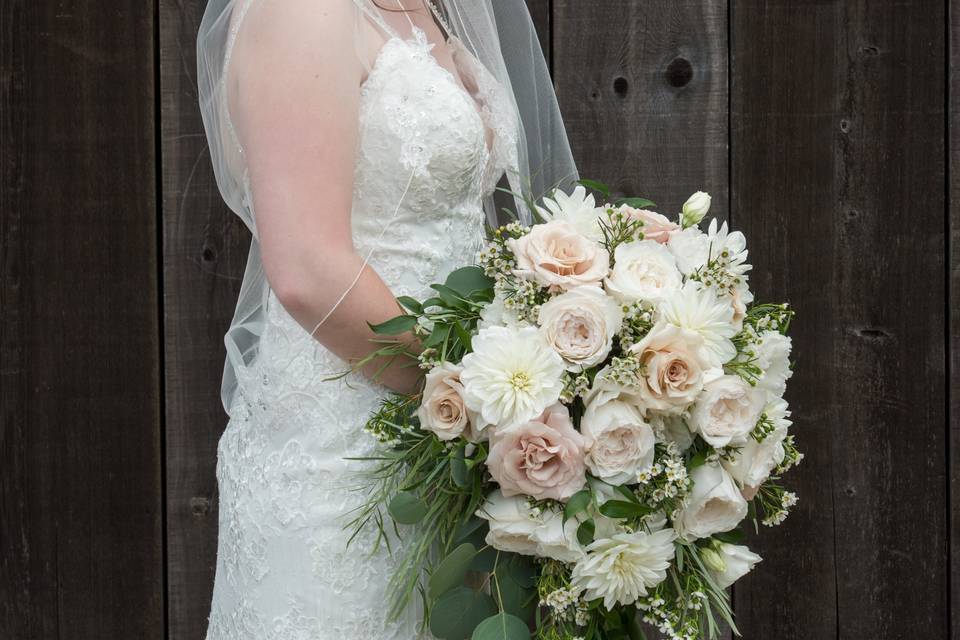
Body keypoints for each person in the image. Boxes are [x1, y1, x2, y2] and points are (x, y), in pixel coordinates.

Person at [196, 0, 576, 636]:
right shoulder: (301, 13)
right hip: (344, 446)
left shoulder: (430, 10)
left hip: (446, 450)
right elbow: (308, 271)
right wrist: (480, 402)